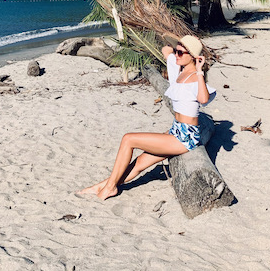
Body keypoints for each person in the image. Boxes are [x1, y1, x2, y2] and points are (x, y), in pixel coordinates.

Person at [78, 34, 216, 200]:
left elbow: (203, 99)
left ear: (193, 57)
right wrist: (175, 40)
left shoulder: (195, 77)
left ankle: (109, 188)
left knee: (128, 139)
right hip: (175, 130)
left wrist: (200, 70)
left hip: (186, 137)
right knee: (140, 163)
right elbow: (166, 49)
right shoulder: (178, 70)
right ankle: (102, 185)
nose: (176, 55)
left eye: (180, 53)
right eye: (177, 51)